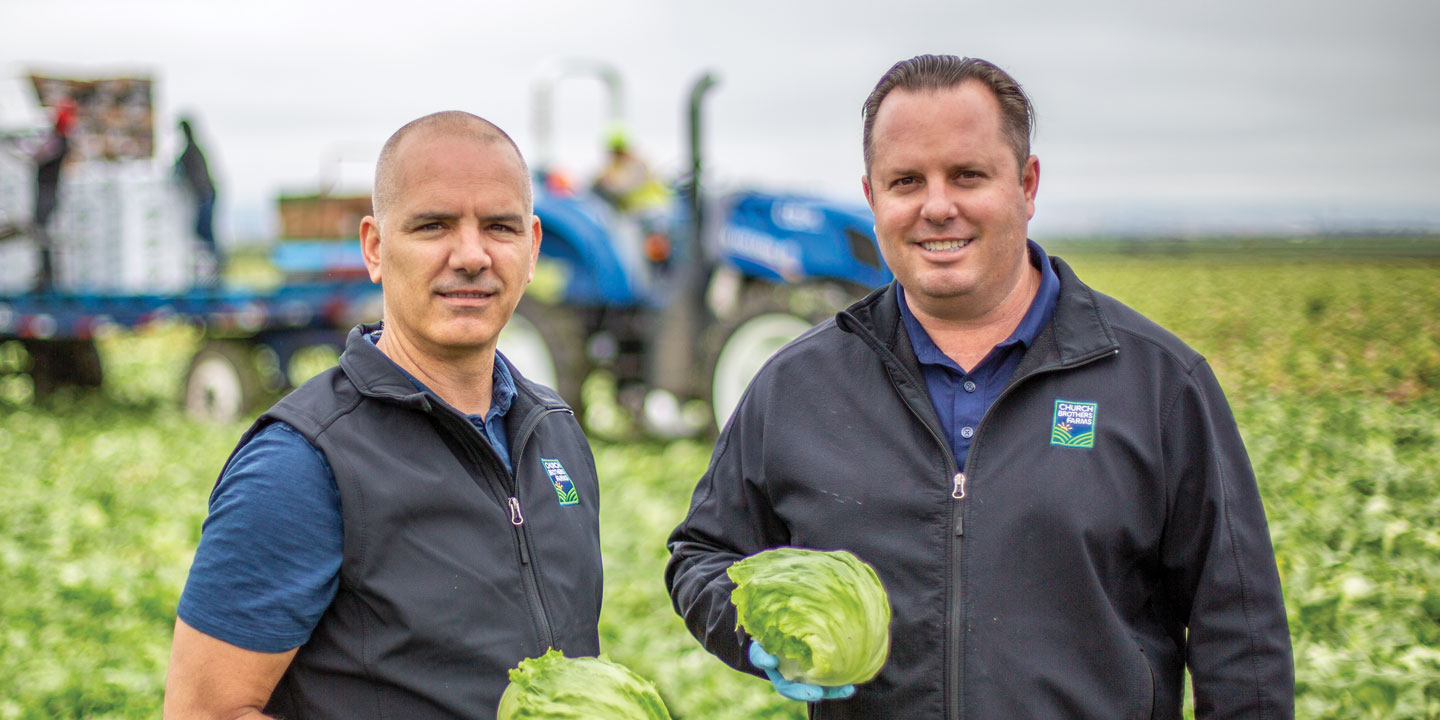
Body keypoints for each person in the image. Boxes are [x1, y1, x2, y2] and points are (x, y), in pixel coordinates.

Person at [666, 55, 1294, 718]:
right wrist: (755, 631)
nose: (937, 207)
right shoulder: (796, 385)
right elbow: (704, 554)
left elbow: (1241, 634)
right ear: (873, 196)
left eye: (967, 175)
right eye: (906, 181)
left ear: (1026, 184)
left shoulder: (1158, 382)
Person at [163, 111, 603, 719]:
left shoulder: (554, 431)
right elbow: (205, 712)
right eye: (433, 225)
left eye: (498, 227)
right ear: (375, 247)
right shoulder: (301, 464)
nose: (471, 255)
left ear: (531, 249)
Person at [30, 98, 76, 291]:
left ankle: (48, 276)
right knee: (42, 233)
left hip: (48, 191)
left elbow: (37, 157)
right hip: (49, 191)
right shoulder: (60, 140)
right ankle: (46, 273)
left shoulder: (58, 141)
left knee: (43, 233)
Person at [175, 117, 219, 274]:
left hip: (204, 194)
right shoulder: (192, 150)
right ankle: (211, 266)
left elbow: (178, 168)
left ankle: (214, 267)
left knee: (204, 231)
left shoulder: (191, 151)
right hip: (204, 194)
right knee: (203, 231)